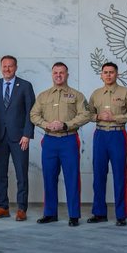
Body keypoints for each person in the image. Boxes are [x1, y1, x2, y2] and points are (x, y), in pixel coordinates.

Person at [31, 63, 92, 225]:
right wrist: (45, 124)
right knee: (49, 178)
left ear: (67, 75)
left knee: (72, 178)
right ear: (52, 75)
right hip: (50, 140)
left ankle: (74, 215)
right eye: (55, 73)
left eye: (62, 73)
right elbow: (33, 115)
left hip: (68, 139)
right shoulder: (43, 96)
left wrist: (66, 125)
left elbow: (86, 114)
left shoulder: (76, 95)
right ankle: (50, 213)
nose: (58, 75)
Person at [86, 62, 127, 225]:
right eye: (105, 72)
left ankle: (121, 215)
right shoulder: (96, 94)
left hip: (117, 134)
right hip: (100, 135)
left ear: (117, 74)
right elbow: (88, 114)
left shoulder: (126, 92)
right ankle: (99, 212)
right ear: (101, 75)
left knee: (120, 175)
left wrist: (115, 117)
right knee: (98, 175)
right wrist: (99, 117)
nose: (108, 75)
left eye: (111, 72)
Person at [0, 55, 35, 221]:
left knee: (21, 174)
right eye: (4, 66)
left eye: (10, 66)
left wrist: (27, 134)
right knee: (1, 174)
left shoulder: (25, 86)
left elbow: (31, 112)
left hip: (19, 137)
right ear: (1, 67)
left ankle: (22, 208)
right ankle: (2, 207)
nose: (7, 69)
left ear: (16, 67)